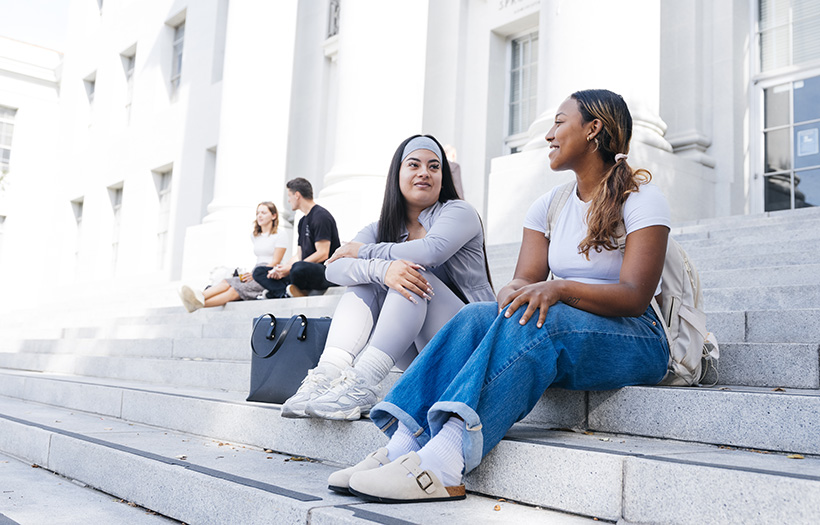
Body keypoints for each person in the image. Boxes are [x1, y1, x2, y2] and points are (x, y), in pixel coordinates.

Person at [330, 89, 672, 503]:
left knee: (544, 321)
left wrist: (558, 288)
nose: (549, 134)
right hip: (568, 330)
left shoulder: (641, 198)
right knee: (476, 315)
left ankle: (443, 464)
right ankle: (404, 445)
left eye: (560, 122)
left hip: (637, 337)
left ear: (593, 129)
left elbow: (635, 296)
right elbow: (521, 280)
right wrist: (517, 292)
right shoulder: (548, 206)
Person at [281, 134, 495, 421]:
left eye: (434, 167)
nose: (424, 173)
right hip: (420, 352)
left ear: (443, 178)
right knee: (375, 278)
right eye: (414, 165)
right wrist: (381, 270)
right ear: (397, 174)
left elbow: (430, 251)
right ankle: (327, 373)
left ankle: (364, 381)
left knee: (410, 273)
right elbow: (334, 269)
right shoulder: (381, 227)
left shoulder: (460, 212)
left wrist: (370, 254)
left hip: (472, 346)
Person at [179, 202, 289, 312]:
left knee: (234, 291)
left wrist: (255, 274)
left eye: (263, 213)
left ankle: (198, 305)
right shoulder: (255, 236)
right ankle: (198, 296)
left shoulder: (280, 235)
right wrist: (252, 273)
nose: (259, 216)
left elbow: (276, 261)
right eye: (257, 213)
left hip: (268, 274)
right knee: (226, 282)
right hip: (255, 270)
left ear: (273, 216)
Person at [253, 178, 341, 298]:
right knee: (259, 272)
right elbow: (299, 255)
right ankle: (283, 292)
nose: (288, 200)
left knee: (298, 268)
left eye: (289, 196)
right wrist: (282, 268)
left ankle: (278, 291)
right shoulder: (302, 221)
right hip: (302, 269)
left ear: (297, 195)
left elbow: (323, 254)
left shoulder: (321, 216)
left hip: (324, 271)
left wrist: (291, 268)